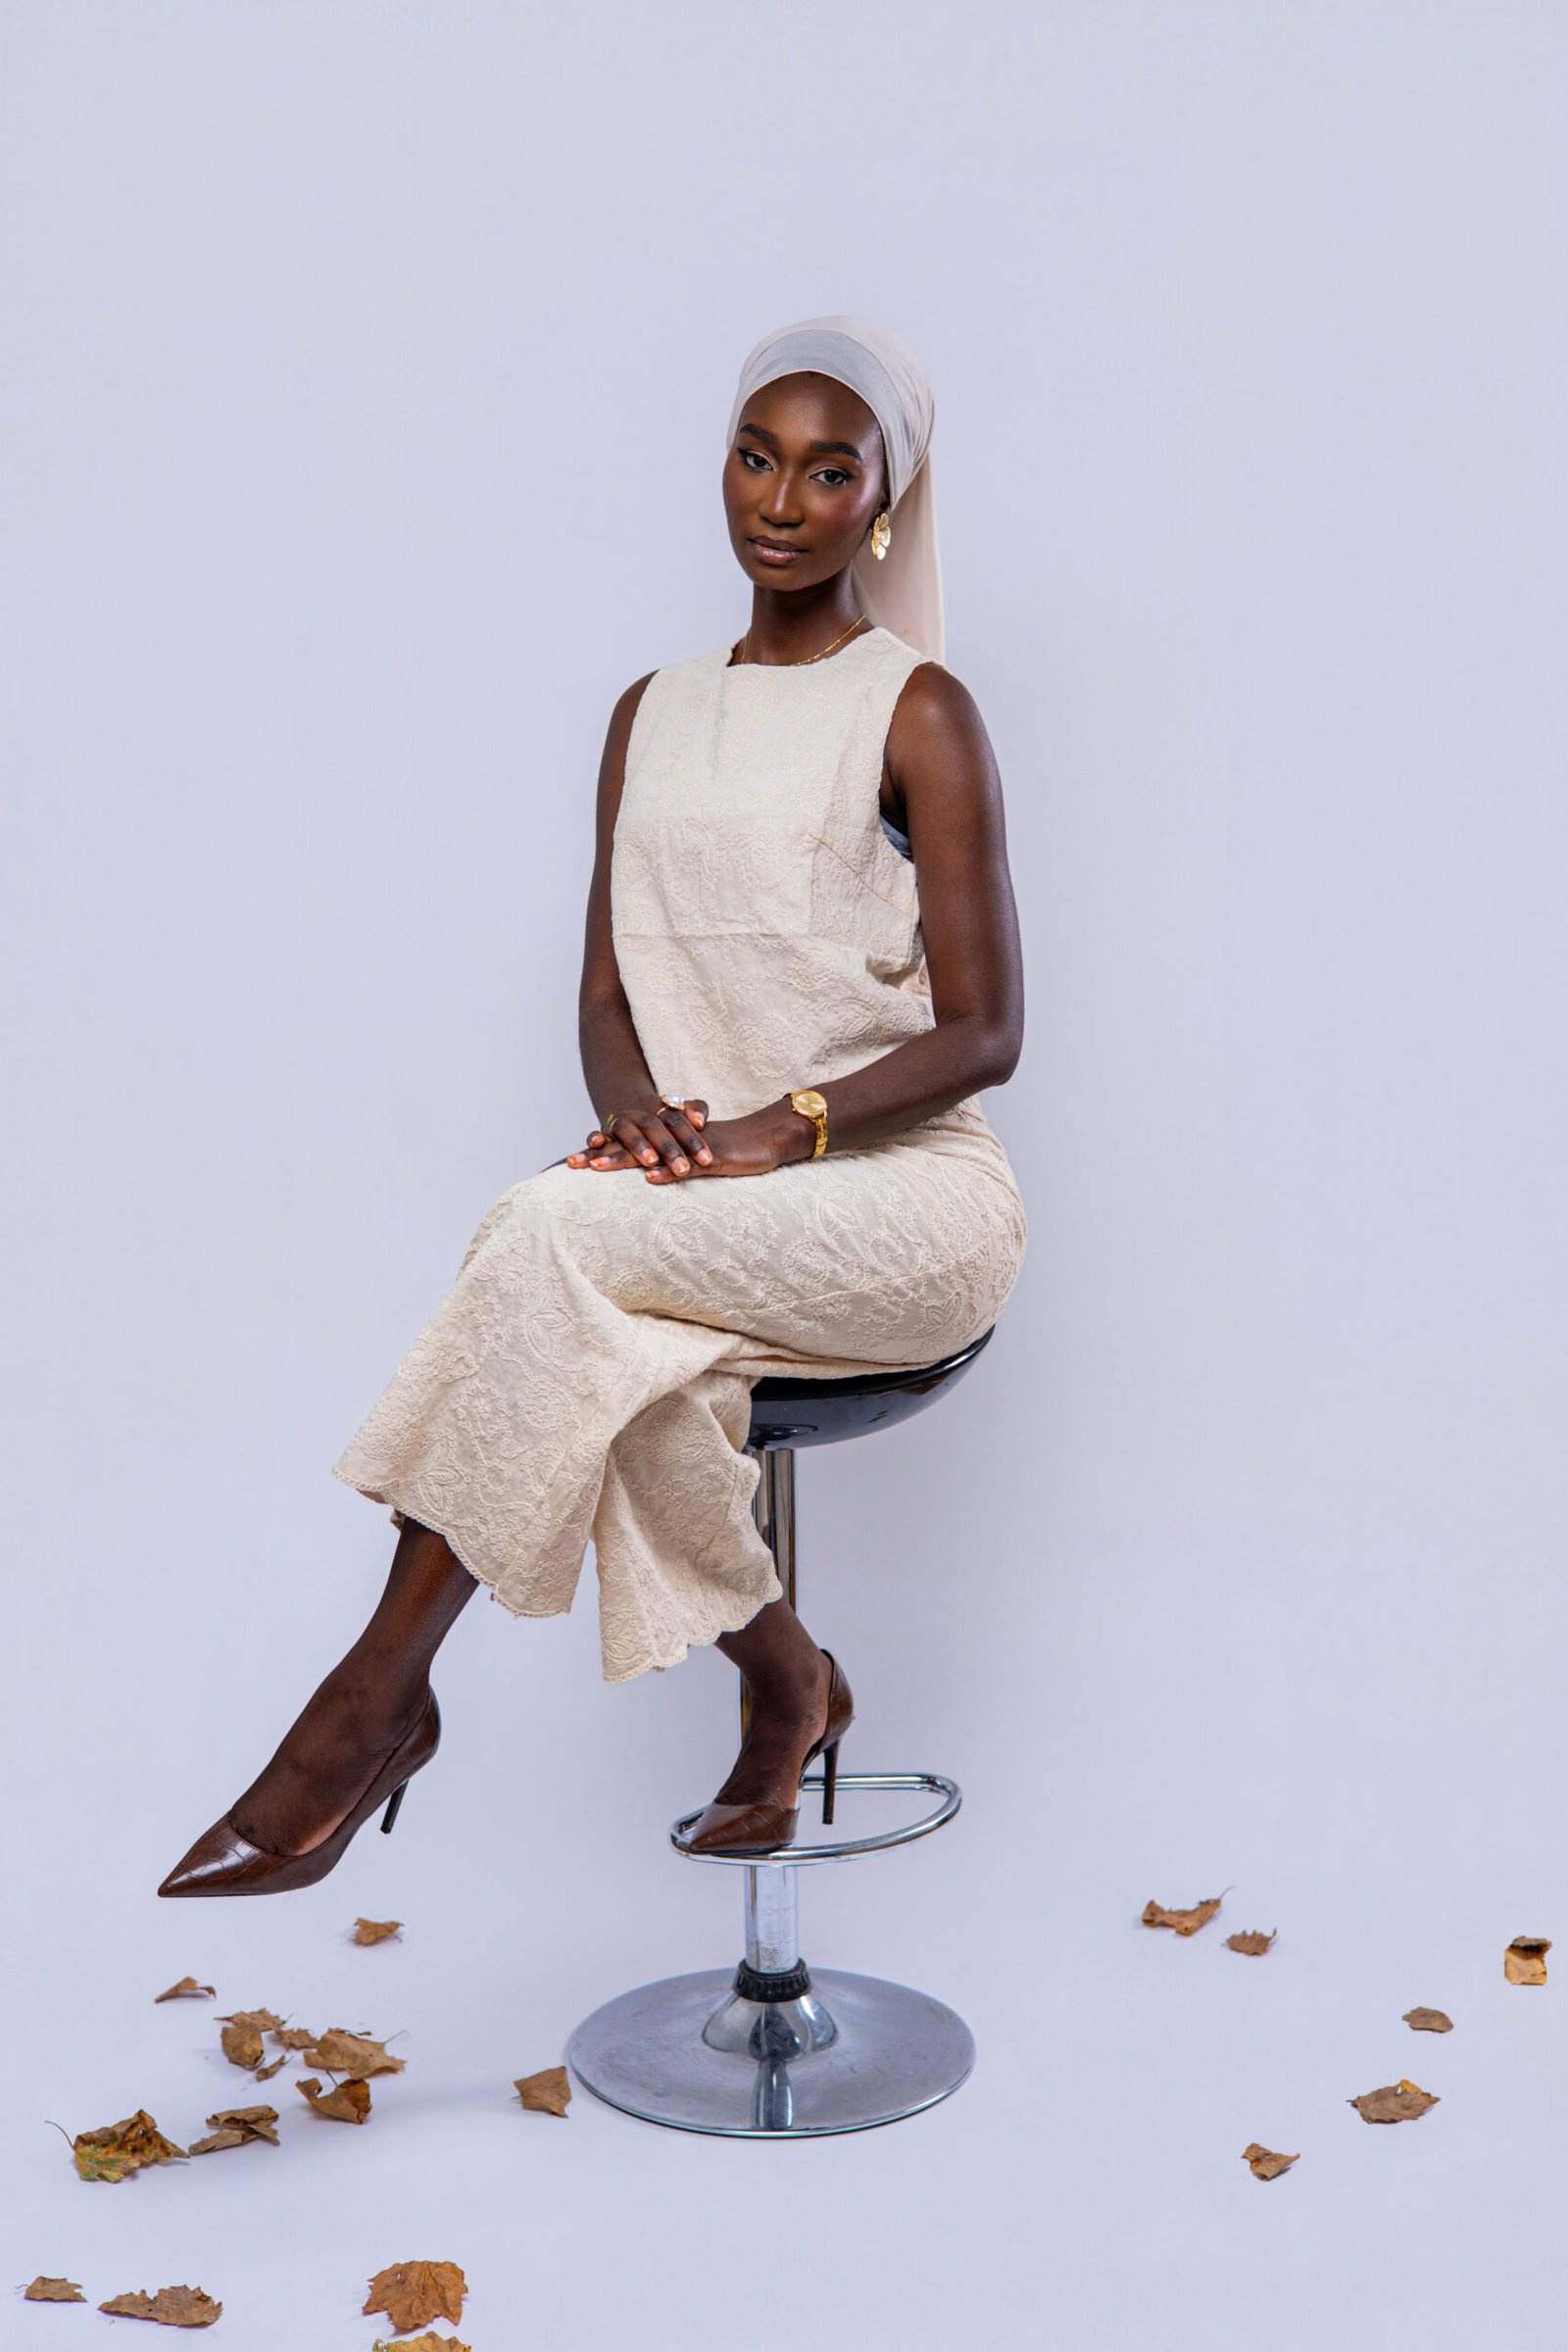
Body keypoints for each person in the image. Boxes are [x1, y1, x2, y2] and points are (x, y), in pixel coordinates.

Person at [157, 312, 1027, 1897]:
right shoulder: (651, 712)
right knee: (600, 1340)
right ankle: (792, 1681)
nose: (781, 501)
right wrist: (640, 1122)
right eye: (755, 458)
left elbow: (988, 1033)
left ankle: (371, 1702)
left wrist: (776, 1129)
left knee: (546, 1238)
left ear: (882, 504)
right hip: (694, 1203)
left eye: (829, 472)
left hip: (904, 1201)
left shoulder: (917, 710)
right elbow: (608, 999)